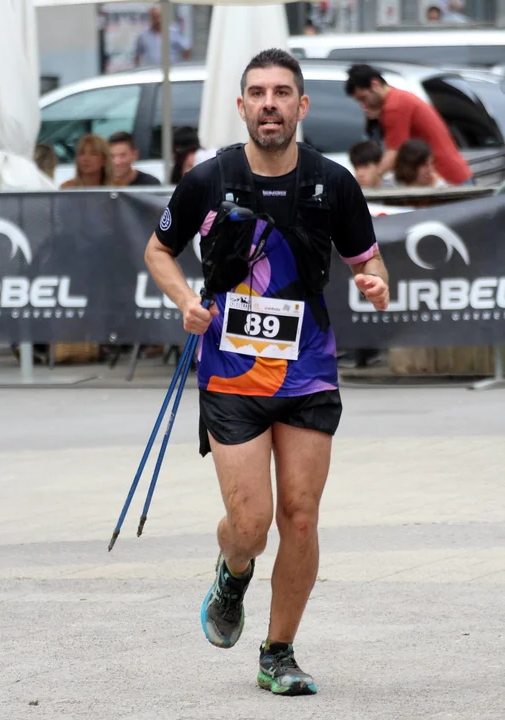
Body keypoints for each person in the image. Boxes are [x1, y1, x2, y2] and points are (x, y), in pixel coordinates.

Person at [145, 48, 389, 696]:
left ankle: (277, 652)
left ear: (301, 105)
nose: (270, 104)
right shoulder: (208, 179)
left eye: (282, 93)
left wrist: (375, 282)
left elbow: (369, 260)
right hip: (231, 374)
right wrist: (186, 301)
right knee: (250, 527)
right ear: (242, 106)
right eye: (258, 93)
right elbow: (158, 250)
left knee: (300, 518)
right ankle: (233, 572)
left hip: (308, 370)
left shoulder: (333, 183)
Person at [345, 64, 473, 186]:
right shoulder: (399, 98)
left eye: (364, 98)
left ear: (375, 84)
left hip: (446, 178)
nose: (363, 105)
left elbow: (394, 153)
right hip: (450, 174)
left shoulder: (394, 107)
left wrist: (375, 177)